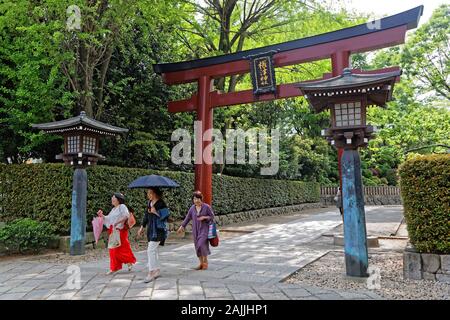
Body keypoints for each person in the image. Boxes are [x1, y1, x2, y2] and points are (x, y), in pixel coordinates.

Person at [97, 192, 136, 275]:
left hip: (120, 231)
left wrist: (117, 222)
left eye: (114, 197)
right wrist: (102, 215)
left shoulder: (122, 207)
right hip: (114, 231)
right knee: (113, 249)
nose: (112, 199)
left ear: (118, 199)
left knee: (122, 248)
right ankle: (115, 267)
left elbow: (126, 215)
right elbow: (108, 219)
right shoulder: (113, 209)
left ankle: (127, 262)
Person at [177, 191, 215, 270]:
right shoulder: (192, 208)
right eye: (194, 199)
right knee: (197, 246)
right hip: (195, 230)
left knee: (201, 244)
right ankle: (201, 263)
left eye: (198, 198)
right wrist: (182, 226)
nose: (196, 200)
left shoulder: (206, 207)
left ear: (201, 199)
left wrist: (204, 217)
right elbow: (187, 218)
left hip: (204, 229)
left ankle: (205, 261)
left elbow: (212, 216)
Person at [137, 187, 169, 283]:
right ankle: (157, 270)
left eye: (150, 193)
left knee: (150, 250)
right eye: (148, 193)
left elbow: (166, 215)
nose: (148, 195)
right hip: (151, 230)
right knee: (153, 251)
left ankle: (151, 272)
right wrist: (142, 227)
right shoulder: (149, 203)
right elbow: (146, 216)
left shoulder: (161, 203)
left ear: (154, 193)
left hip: (159, 230)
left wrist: (155, 212)